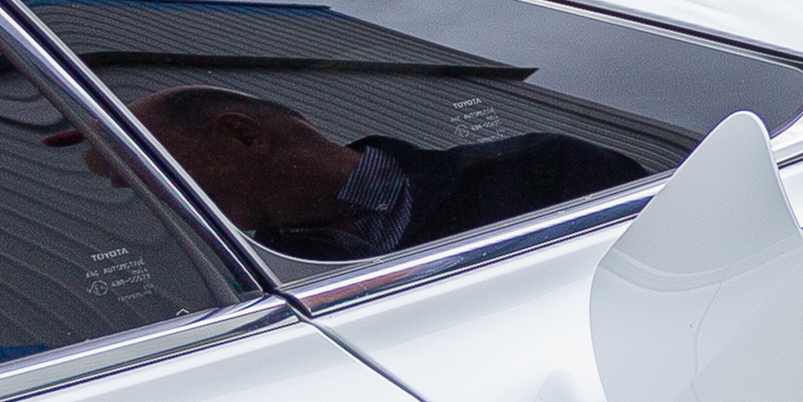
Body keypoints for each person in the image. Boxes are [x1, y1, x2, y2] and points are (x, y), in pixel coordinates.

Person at [128, 85, 633, 261]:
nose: (159, 199)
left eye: (154, 169)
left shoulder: (547, 174)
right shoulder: (254, 282)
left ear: (243, 135)